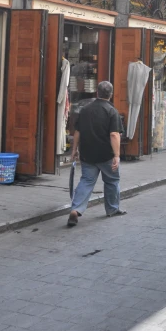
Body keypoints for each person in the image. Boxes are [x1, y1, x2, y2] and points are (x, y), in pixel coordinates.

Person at [67, 81, 125, 227]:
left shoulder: (85, 109)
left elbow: (78, 131)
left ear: (97, 93)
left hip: (88, 153)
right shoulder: (112, 111)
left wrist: (74, 150)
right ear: (110, 94)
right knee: (112, 181)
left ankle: (76, 209)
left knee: (86, 181)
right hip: (106, 155)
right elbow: (114, 134)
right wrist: (117, 155)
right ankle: (112, 209)